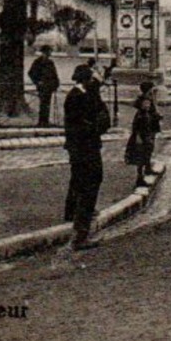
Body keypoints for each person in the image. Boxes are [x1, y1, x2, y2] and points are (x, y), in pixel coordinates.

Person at [63, 63, 111, 250]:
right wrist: (97, 126)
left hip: (86, 146)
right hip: (83, 147)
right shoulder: (76, 97)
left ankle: (78, 219)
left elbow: (101, 113)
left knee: (82, 181)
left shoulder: (85, 94)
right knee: (89, 182)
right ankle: (80, 233)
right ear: (86, 79)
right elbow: (85, 124)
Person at [125, 82, 163, 188]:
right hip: (143, 134)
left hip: (147, 131)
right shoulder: (141, 115)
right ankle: (140, 178)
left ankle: (145, 170)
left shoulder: (145, 108)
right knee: (141, 155)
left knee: (146, 152)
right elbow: (137, 127)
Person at [27, 45, 60, 128]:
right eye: (48, 51)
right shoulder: (37, 62)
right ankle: (41, 122)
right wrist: (37, 82)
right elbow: (31, 73)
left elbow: (54, 74)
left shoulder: (50, 62)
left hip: (49, 86)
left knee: (47, 104)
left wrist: (56, 84)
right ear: (44, 52)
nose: (50, 53)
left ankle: (45, 121)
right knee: (43, 104)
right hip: (42, 87)